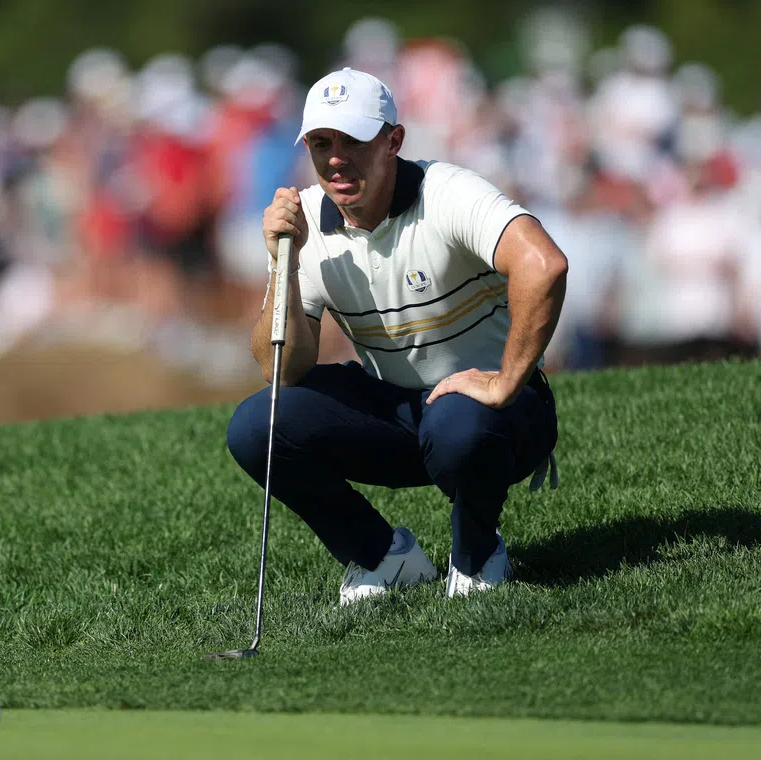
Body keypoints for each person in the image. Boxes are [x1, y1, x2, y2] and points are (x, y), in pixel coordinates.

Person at [226, 68, 568, 604]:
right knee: (257, 425)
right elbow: (281, 370)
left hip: (498, 416)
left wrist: (505, 381)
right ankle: (385, 559)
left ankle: (477, 556)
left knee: (458, 423)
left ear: (393, 141)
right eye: (321, 143)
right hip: (400, 413)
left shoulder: (448, 192)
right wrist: (283, 265)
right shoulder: (306, 226)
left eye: (353, 141)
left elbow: (543, 264)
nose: (335, 158)